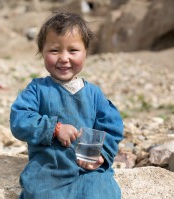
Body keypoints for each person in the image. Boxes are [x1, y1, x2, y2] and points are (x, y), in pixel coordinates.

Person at [9, 11, 124, 199]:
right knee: (39, 192)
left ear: (86, 52)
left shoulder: (94, 94)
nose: (64, 58)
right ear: (42, 53)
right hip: (49, 169)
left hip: (88, 171)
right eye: (54, 50)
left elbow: (112, 128)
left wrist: (102, 154)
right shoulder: (37, 89)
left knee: (102, 191)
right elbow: (20, 119)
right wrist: (54, 128)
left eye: (73, 50)